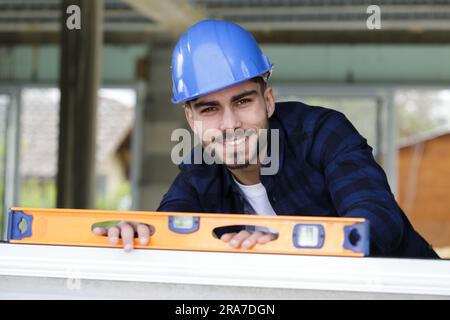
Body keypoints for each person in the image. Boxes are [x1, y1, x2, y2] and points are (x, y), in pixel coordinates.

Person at [93, 20, 438, 258]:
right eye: (210, 109)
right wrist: (140, 234)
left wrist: (285, 241)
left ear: (268, 101)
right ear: (192, 120)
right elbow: (171, 228)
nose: (230, 124)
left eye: (242, 101)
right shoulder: (199, 172)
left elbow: (378, 221)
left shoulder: (321, 134)